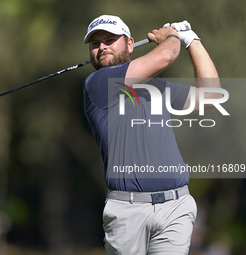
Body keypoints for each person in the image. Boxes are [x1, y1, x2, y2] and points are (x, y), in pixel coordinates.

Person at [83, 15, 221, 255]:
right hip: (127, 211)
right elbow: (166, 55)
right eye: (95, 44)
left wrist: (193, 41)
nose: (102, 46)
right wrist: (171, 36)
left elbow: (212, 96)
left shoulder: (156, 88)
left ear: (129, 44)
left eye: (110, 40)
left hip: (174, 207)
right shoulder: (98, 83)